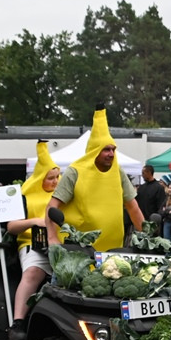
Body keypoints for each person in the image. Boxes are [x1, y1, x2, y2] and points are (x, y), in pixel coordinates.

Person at [46, 105, 144, 252]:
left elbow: (133, 207)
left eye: (113, 149)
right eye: (106, 149)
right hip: (79, 252)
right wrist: (52, 238)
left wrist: (148, 237)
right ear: (94, 151)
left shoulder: (118, 172)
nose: (111, 154)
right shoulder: (75, 171)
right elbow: (52, 207)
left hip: (113, 253)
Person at [7, 142, 60, 340]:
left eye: (57, 177)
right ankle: (17, 322)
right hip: (32, 245)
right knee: (33, 273)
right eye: (50, 178)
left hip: (61, 247)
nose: (55, 182)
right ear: (40, 178)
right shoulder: (25, 197)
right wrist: (33, 222)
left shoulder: (65, 195)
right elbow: (11, 227)